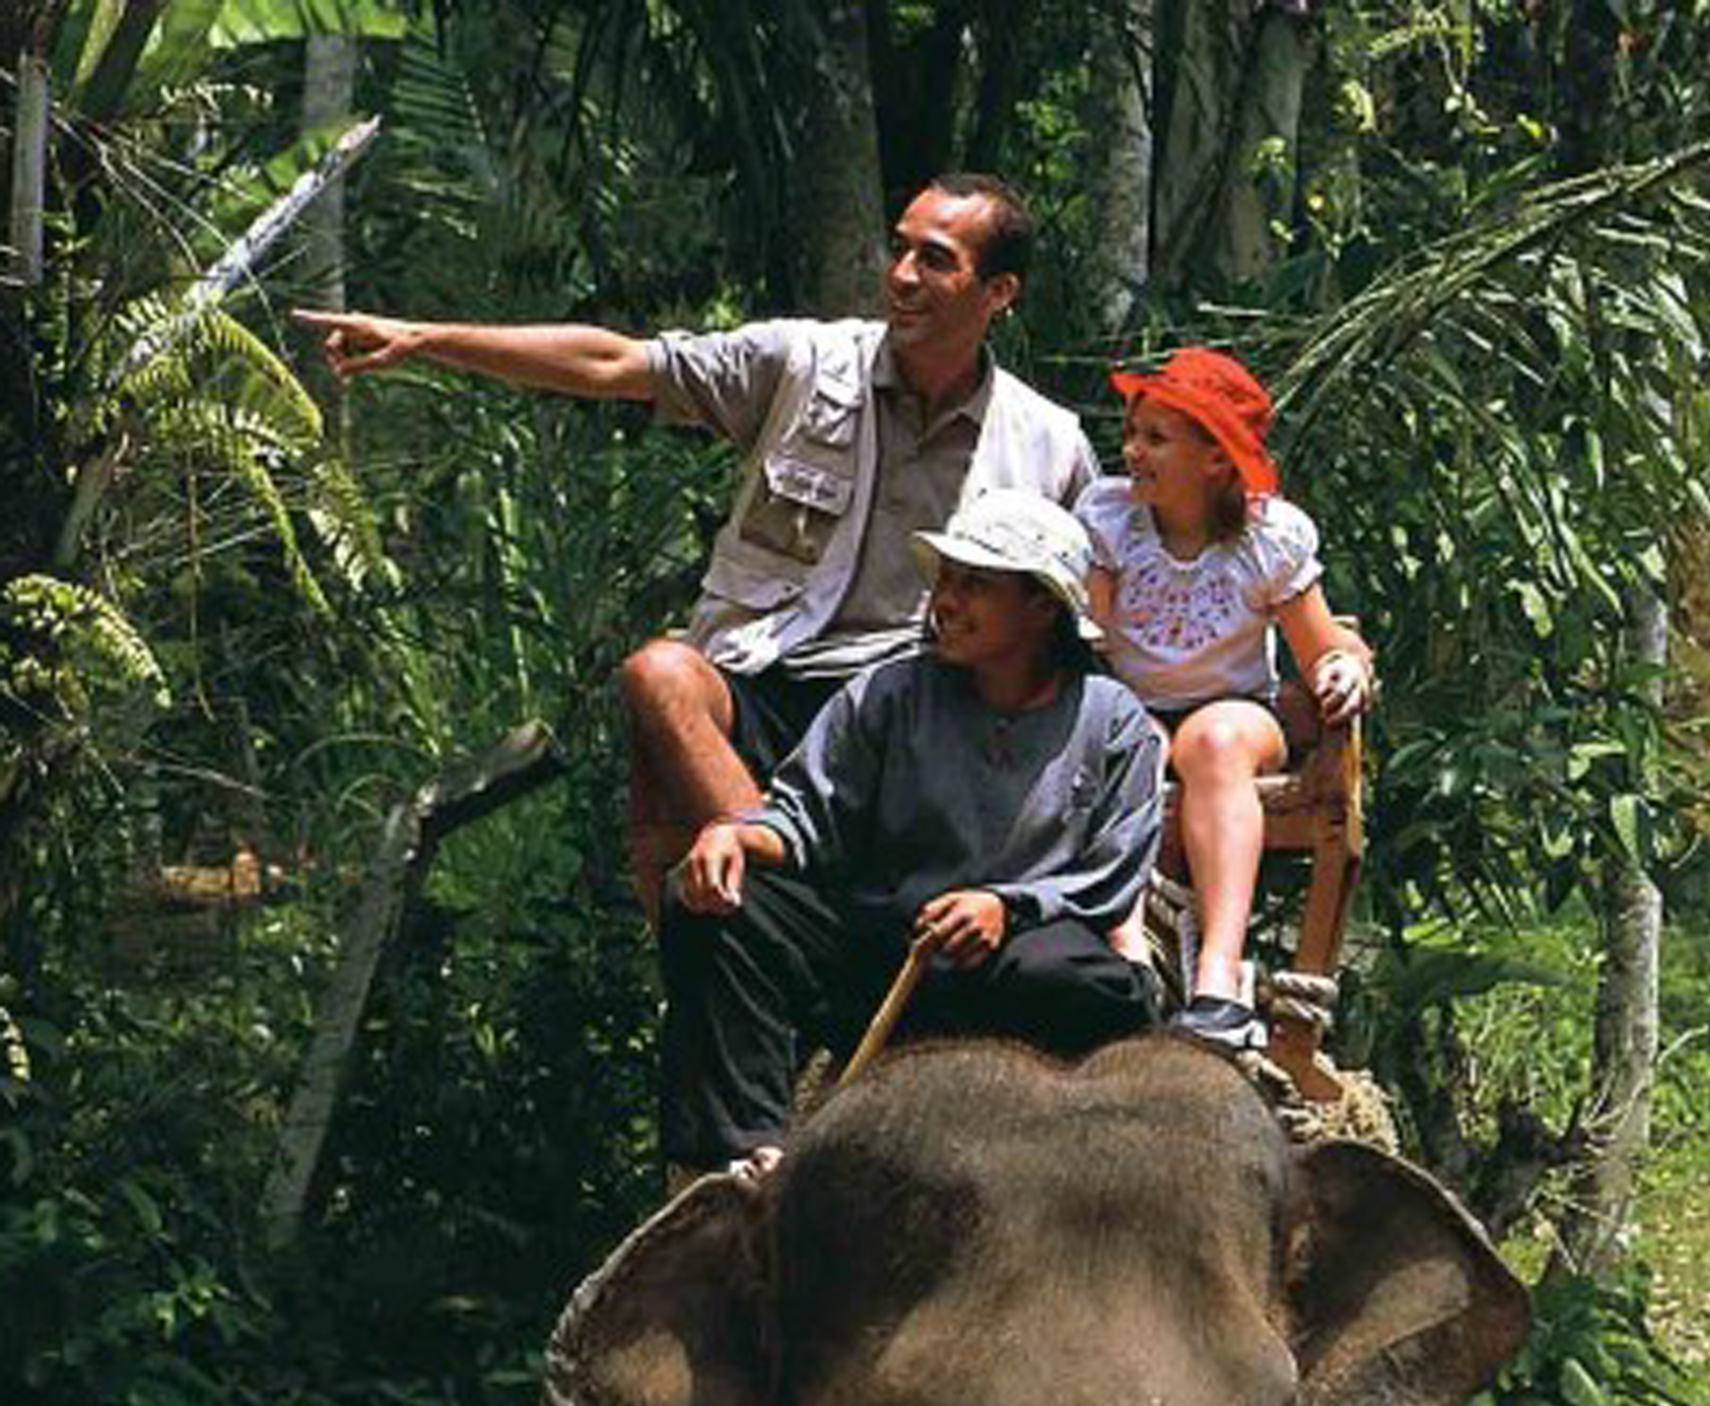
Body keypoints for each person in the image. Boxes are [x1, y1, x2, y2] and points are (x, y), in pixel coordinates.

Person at [296, 174, 1097, 919]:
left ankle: (783, 904)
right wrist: (423, 337)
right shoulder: (805, 363)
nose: (902, 276)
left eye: (935, 259)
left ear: (999, 292)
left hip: (913, 707)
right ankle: (784, 895)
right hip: (762, 673)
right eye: (900, 248)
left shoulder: (1048, 444)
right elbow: (614, 362)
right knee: (660, 673)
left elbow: (1081, 631)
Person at [657, 491, 1160, 1170]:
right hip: (891, 955)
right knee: (711, 901)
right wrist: (735, 835)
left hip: (1014, 971)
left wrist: (1006, 908)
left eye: (974, 585)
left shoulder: (1111, 719)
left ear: (1042, 607)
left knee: (1078, 980)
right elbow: (807, 815)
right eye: (945, 581)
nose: (945, 600)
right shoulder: (889, 694)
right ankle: (744, 1152)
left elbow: (1111, 874)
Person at [1076, 347, 1372, 1052]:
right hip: (1131, 705)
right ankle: (1127, 945)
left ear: (1214, 459)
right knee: (1131, 737)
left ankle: (1219, 972)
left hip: (1236, 710)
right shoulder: (1110, 519)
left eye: (1156, 438)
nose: (1132, 452)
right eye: (1132, 434)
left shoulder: (1267, 536)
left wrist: (1341, 669)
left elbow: (1321, 645)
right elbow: (1088, 636)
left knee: (1212, 742)